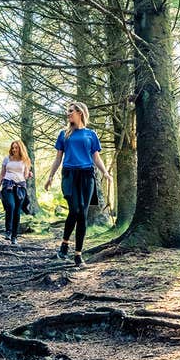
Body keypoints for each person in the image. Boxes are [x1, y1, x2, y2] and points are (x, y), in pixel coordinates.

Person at [45, 101, 111, 267]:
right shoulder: (64, 134)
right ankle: (65, 243)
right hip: (69, 174)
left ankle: (78, 255)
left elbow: (96, 157)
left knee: (83, 213)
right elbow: (58, 157)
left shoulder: (91, 134)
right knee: (74, 209)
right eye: (67, 111)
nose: (68, 114)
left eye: (71, 111)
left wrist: (105, 172)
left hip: (87, 175)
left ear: (80, 112)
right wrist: (50, 176)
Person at [0, 140, 32, 244]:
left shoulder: (25, 160)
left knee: (17, 211)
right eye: (13, 147)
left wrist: (29, 175)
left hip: (20, 186)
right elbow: (2, 174)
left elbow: (25, 176)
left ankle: (14, 236)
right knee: (10, 206)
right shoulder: (7, 159)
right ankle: (8, 231)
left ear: (20, 148)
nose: (14, 149)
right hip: (8, 185)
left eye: (16, 147)